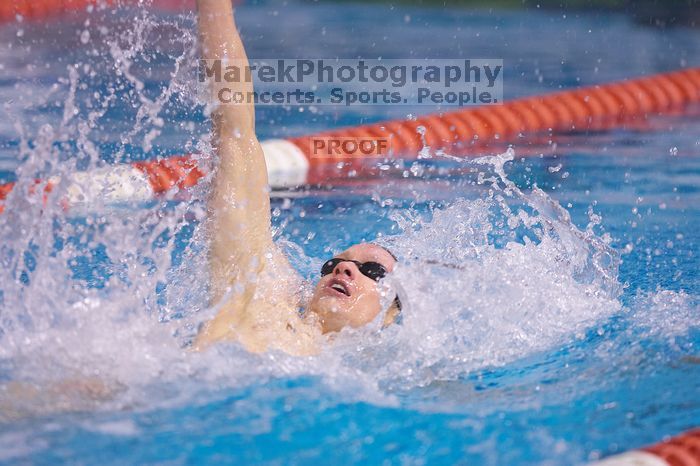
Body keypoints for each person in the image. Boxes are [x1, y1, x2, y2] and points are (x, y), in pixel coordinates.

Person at [193, 0, 401, 356]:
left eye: (372, 271)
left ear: (391, 316)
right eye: (333, 264)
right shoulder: (259, 302)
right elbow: (233, 130)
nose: (345, 268)